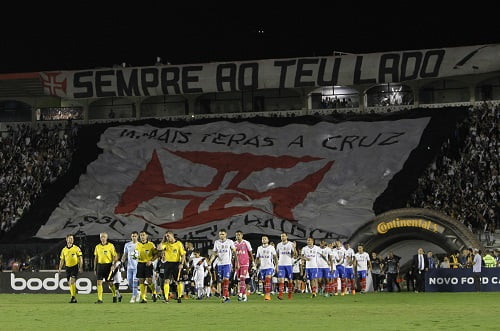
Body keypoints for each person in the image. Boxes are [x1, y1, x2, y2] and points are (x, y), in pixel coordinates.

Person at [157, 231, 186, 303]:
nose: (167, 237)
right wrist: (163, 240)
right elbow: (159, 248)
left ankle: (179, 297)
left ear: (172, 236)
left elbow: (183, 255)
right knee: (166, 281)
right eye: (166, 236)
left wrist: (181, 264)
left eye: (168, 236)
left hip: (176, 264)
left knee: (178, 281)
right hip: (168, 264)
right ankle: (166, 298)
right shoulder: (165, 244)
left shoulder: (179, 244)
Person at [209, 229, 236, 303]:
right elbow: (214, 253)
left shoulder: (230, 242)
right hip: (219, 264)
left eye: (223, 234)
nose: (222, 235)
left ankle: (224, 296)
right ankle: (227, 297)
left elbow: (234, 250)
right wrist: (211, 260)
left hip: (227, 264)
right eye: (220, 234)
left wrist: (236, 261)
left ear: (226, 234)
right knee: (221, 281)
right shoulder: (217, 242)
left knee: (226, 279)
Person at [93, 232, 118, 303]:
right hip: (100, 266)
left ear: (106, 238)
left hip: (108, 266)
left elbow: (115, 256)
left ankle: (114, 294)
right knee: (99, 282)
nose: (103, 238)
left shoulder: (111, 246)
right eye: (101, 237)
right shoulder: (97, 247)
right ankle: (100, 299)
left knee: (110, 283)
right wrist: (95, 268)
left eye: (104, 237)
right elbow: (96, 258)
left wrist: (113, 265)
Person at [58, 234, 83, 303]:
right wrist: (60, 268)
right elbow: (62, 260)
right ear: (66, 239)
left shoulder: (76, 248)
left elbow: (80, 258)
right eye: (69, 238)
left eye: (72, 238)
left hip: (74, 267)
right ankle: (73, 297)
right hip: (67, 267)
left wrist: (80, 267)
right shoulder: (64, 250)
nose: (71, 240)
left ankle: (73, 297)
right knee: (70, 283)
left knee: (72, 281)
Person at [136, 231, 158, 303]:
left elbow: (156, 254)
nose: (142, 236)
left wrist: (151, 261)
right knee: (141, 281)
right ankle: (143, 298)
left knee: (149, 281)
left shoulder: (151, 244)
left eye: (143, 235)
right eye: (141, 235)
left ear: (147, 236)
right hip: (140, 264)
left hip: (148, 264)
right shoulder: (137, 245)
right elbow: (134, 255)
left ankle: (154, 292)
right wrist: (134, 257)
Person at [255, 235, 278, 301]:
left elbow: (275, 257)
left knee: (268, 279)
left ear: (268, 240)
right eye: (263, 239)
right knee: (264, 281)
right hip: (262, 268)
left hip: (270, 267)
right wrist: (255, 266)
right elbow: (257, 258)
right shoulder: (259, 248)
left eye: (265, 239)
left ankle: (267, 294)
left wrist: (277, 266)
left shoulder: (271, 247)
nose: (264, 240)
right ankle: (266, 292)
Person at [233, 230, 254, 302]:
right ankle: (244, 296)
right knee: (240, 280)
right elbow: (233, 255)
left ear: (242, 235)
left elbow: (250, 253)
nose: (238, 236)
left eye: (239, 234)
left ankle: (240, 293)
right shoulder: (234, 244)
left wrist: (253, 262)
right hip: (237, 264)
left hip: (245, 262)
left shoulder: (246, 243)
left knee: (242, 278)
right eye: (236, 235)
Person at [276, 232, 297, 300]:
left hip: (288, 265)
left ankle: (290, 295)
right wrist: (277, 263)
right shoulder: (279, 245)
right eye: (281, 236)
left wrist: (295, 248)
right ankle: (280, 295)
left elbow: (295, 255)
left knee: (290, 280)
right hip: (281, 265)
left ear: (287, 237)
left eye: (284, 236)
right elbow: (276, 255)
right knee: (281, 280)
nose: (282, 237)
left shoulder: (291, 244)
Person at [122, 231, 139, 303]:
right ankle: (137, 293)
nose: (134, 237)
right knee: (129, 282)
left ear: (137, 237)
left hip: (137, 267)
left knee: (135, 282)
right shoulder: (127, 245)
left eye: (135, 236)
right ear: (131, 237)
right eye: (133, 236)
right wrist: (122, 260)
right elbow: (125, 254)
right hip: (129, 267)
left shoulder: (140, 245)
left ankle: (133, 296)